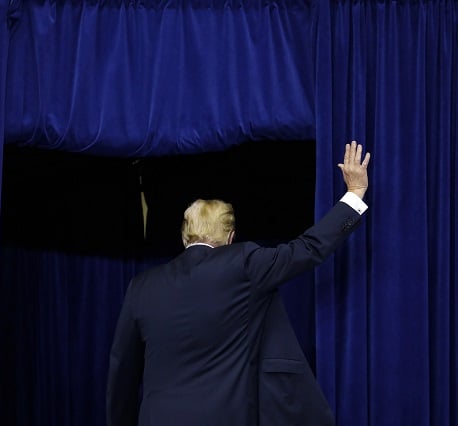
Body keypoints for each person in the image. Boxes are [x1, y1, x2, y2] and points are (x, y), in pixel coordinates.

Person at [107, 141, 371, 426]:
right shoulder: (244, 263)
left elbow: (122, 374)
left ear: (184, 237)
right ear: (231, 237)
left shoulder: (141, 286)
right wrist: (355, 194)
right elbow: (308, 249)